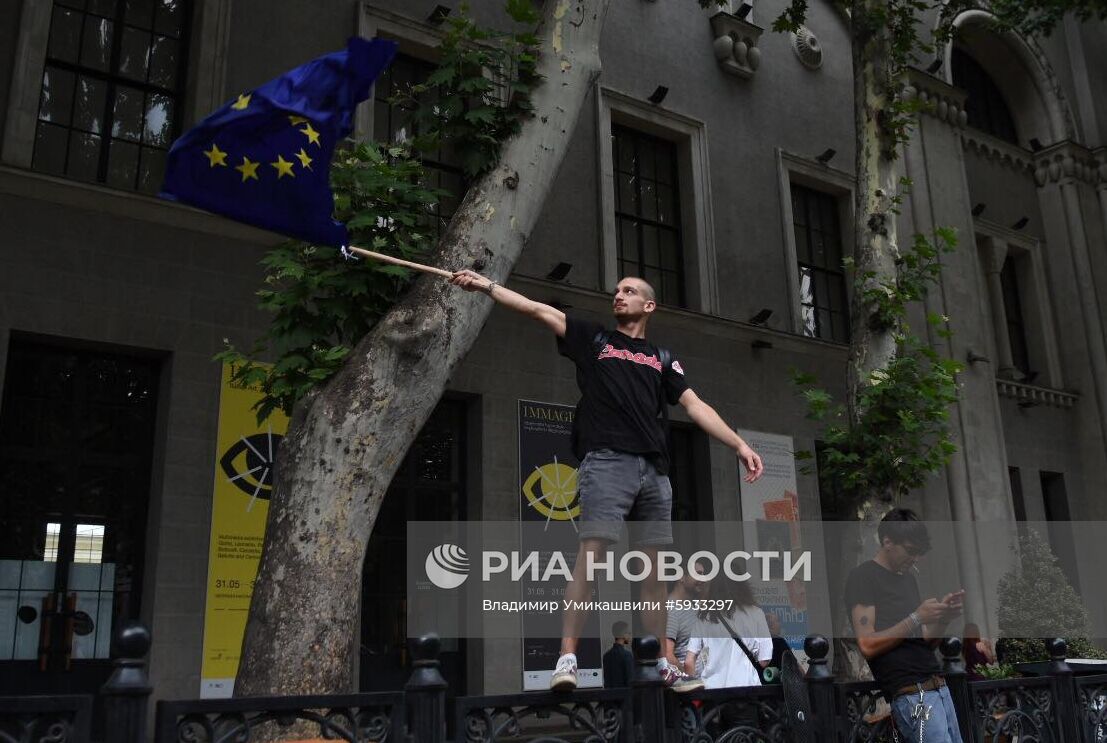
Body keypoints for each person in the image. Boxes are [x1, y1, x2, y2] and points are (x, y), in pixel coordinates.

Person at [450, 271, 764, 693]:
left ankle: (660, 663)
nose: (619, 295)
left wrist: (739, 445)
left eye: (629, 291)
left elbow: (695, 405)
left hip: (654, 471)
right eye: (616, 291)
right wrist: (487, 286)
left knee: (655, 575)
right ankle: (567, 658)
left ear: (648, 306)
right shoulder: (596, 340)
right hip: (607, 462)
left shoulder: (662, 358)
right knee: (590, 558)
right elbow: (539, 309)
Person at [844, 508, 965, 743]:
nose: (915, 558)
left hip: (938, 688)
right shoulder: (863, 577)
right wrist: (917, 617)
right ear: (887, 541)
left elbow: (925, 642)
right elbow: (867, 644)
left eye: (919, 553)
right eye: (910, 551)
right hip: (912, 695)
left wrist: (943, 617)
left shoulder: (908, 578)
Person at [684, 574, 772, 689]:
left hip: (713, 692)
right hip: (748, 689)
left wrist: (694, 692)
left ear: (714, 588)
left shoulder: (705, 617)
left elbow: (689, 662)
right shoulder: (756, 613)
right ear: (742, 585)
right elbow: (764, 661)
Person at [665, 557, 711, 677]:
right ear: (681, 576)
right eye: (698, 573)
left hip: (704, 685)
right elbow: (668, 655)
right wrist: (690, 678)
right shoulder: (672, 609)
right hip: (689, 688)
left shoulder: (693, 604)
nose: (702, 578)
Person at [764, 610, 796, 683]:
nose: (780, 624)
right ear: (770, 626)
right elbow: (793, 664)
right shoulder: (778, 641)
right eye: (777, 621)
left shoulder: (759, 642)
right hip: (779, 686)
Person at [602, 621, 634, 688]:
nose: (630, 636)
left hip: (609, 695)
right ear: (623, 635)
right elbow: (630, 680)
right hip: (624, 695)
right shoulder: (627, 655)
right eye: (628, 633)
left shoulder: (606, 656)